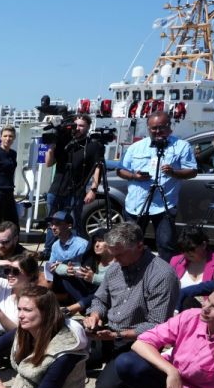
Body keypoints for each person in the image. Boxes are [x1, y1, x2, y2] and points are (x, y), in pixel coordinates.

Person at [83, 222, 179, 374]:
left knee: (106, 385)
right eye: (113, 254)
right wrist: (95, 315)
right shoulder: (115, 268)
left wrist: (118, 335)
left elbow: (156, 325)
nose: (115, 260)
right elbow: (100, 299)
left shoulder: (161, 275)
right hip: (109, 333)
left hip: (139, 341)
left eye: (120, 254)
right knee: (70, 358)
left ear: (139, 246)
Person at [117, 110, 198, 260]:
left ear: (169, 126)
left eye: (161, 127)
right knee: (131, 244)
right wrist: (134, 176)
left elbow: (192, 171)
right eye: (153, 128)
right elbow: (120, 170)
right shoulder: (136, 147)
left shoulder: (181, 146)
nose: (157, 131)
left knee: (166, 245)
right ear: (148, 128)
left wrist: (174, 173)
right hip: (136, 205)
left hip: (164, 205)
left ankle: (165, 273)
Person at [42, 112, 103, 253]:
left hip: (76, 191)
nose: (78, 128)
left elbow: (98, 168)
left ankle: (74, 251)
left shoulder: (92, 146)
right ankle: (48, 250)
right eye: (76, 125)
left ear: (88, 127)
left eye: (82, 126)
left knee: (73, 223)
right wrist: (51, 147)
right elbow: (49, 163)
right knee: (53, 222)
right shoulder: (64, 141)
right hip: (57, 189)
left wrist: (93, 189)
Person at [55, 230, 113, 314]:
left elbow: (115, 281)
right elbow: (58, 267)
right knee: (66, 277)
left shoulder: (118, 262)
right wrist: (68, 270)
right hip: (85, 297)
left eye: (100, 241)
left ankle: (75, 307)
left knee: (102, 289)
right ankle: (83, 307)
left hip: (105, 301)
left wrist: (94, 278)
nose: (96, 245)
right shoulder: (89, 257)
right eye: (95, 242)